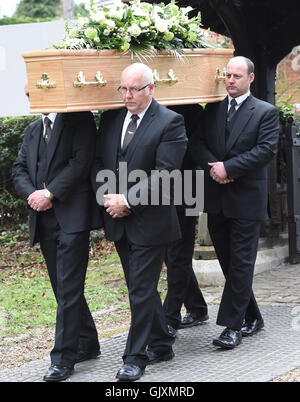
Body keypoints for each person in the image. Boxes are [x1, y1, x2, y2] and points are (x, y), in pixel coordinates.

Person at [92, 63, 187, 381]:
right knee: (140, 288)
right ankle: (161, 343)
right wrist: (109, 199)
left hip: (152, 220)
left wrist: (128, 200)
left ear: (151, 88)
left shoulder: (171, 122)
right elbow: (99, 163)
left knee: (141, 289)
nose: (127, 95)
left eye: (134, 89)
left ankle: (135, 357)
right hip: (117, 218)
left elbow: (166, 173)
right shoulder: (111, 119)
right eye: (123, 88)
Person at [12, 84, 102, 381]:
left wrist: (50, 193)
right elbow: (19, 170)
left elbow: (80, 163)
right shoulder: (33, 130)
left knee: (68, 288)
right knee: (62, 288)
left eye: (33, 93)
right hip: (44, 219)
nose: (31, 100)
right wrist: (34, 196)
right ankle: (88, 342)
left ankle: (63, 358)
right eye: (27, 96)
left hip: (72, 218)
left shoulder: (78, 119)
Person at [191, 56, 279, 349]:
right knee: (230, 264)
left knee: (241, 263)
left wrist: (230, 168)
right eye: (227, 75)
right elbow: (197, 143)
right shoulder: (212, 110)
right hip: (216, 199)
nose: (230, 80)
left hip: (246, 201)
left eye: (236, 76)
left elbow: (266, 150)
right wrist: (214, 168)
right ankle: (253, 315)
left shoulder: (265, 112)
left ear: (250, 79)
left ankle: (233, 326)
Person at [163, 104, 209, 335]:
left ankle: (168, 317)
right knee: (170, 255)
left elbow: (195, 150)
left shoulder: (191, 112)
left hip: (186, 188)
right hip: (159, 189)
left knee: (178, 255)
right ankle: (197, 307)